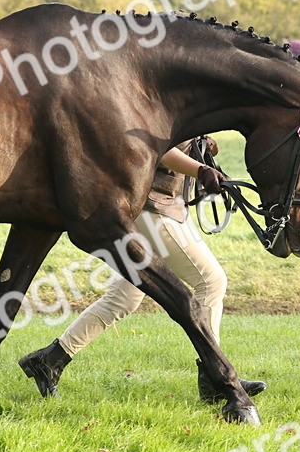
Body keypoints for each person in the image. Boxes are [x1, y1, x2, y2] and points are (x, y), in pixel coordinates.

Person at [18, 138, 266, 404]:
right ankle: (215, 377)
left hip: (158, 207)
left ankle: (50, 360)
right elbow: (160, 147)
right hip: (153, 208)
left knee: (124, 297)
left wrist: (200, 146)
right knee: (211, 280)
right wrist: (200, 170)